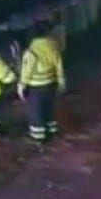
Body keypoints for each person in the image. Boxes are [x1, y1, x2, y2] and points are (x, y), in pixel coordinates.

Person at [19, 17, 66, 145]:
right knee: (48, 109)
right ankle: (51, 132)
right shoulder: (53, 46)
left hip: (36, 87)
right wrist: (61, 82)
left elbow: (27, 71)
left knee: (37, 112)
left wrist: (21, 85)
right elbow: (59, 65)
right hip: (51, 84)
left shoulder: (31, 51)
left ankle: (38, 138)